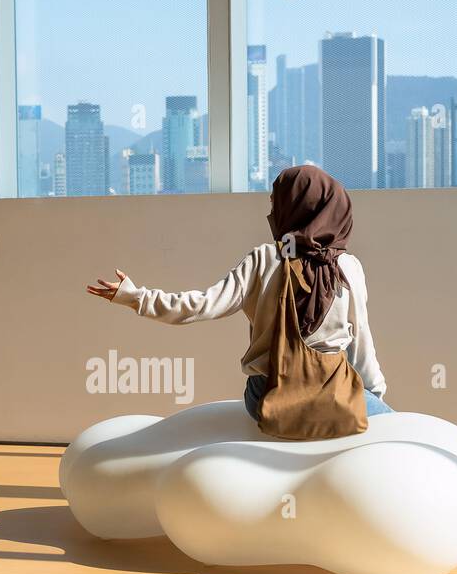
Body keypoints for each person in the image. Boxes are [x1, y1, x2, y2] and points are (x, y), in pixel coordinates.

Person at [85, 164, 391, 422]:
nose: (271, 212)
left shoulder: (263, 259)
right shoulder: (347, 266)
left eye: (275, 203)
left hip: (267, 395)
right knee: (394, 426)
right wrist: (371, 397)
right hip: (333, 390)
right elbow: (361, 343)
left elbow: (200, 306)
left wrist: (134, 296)